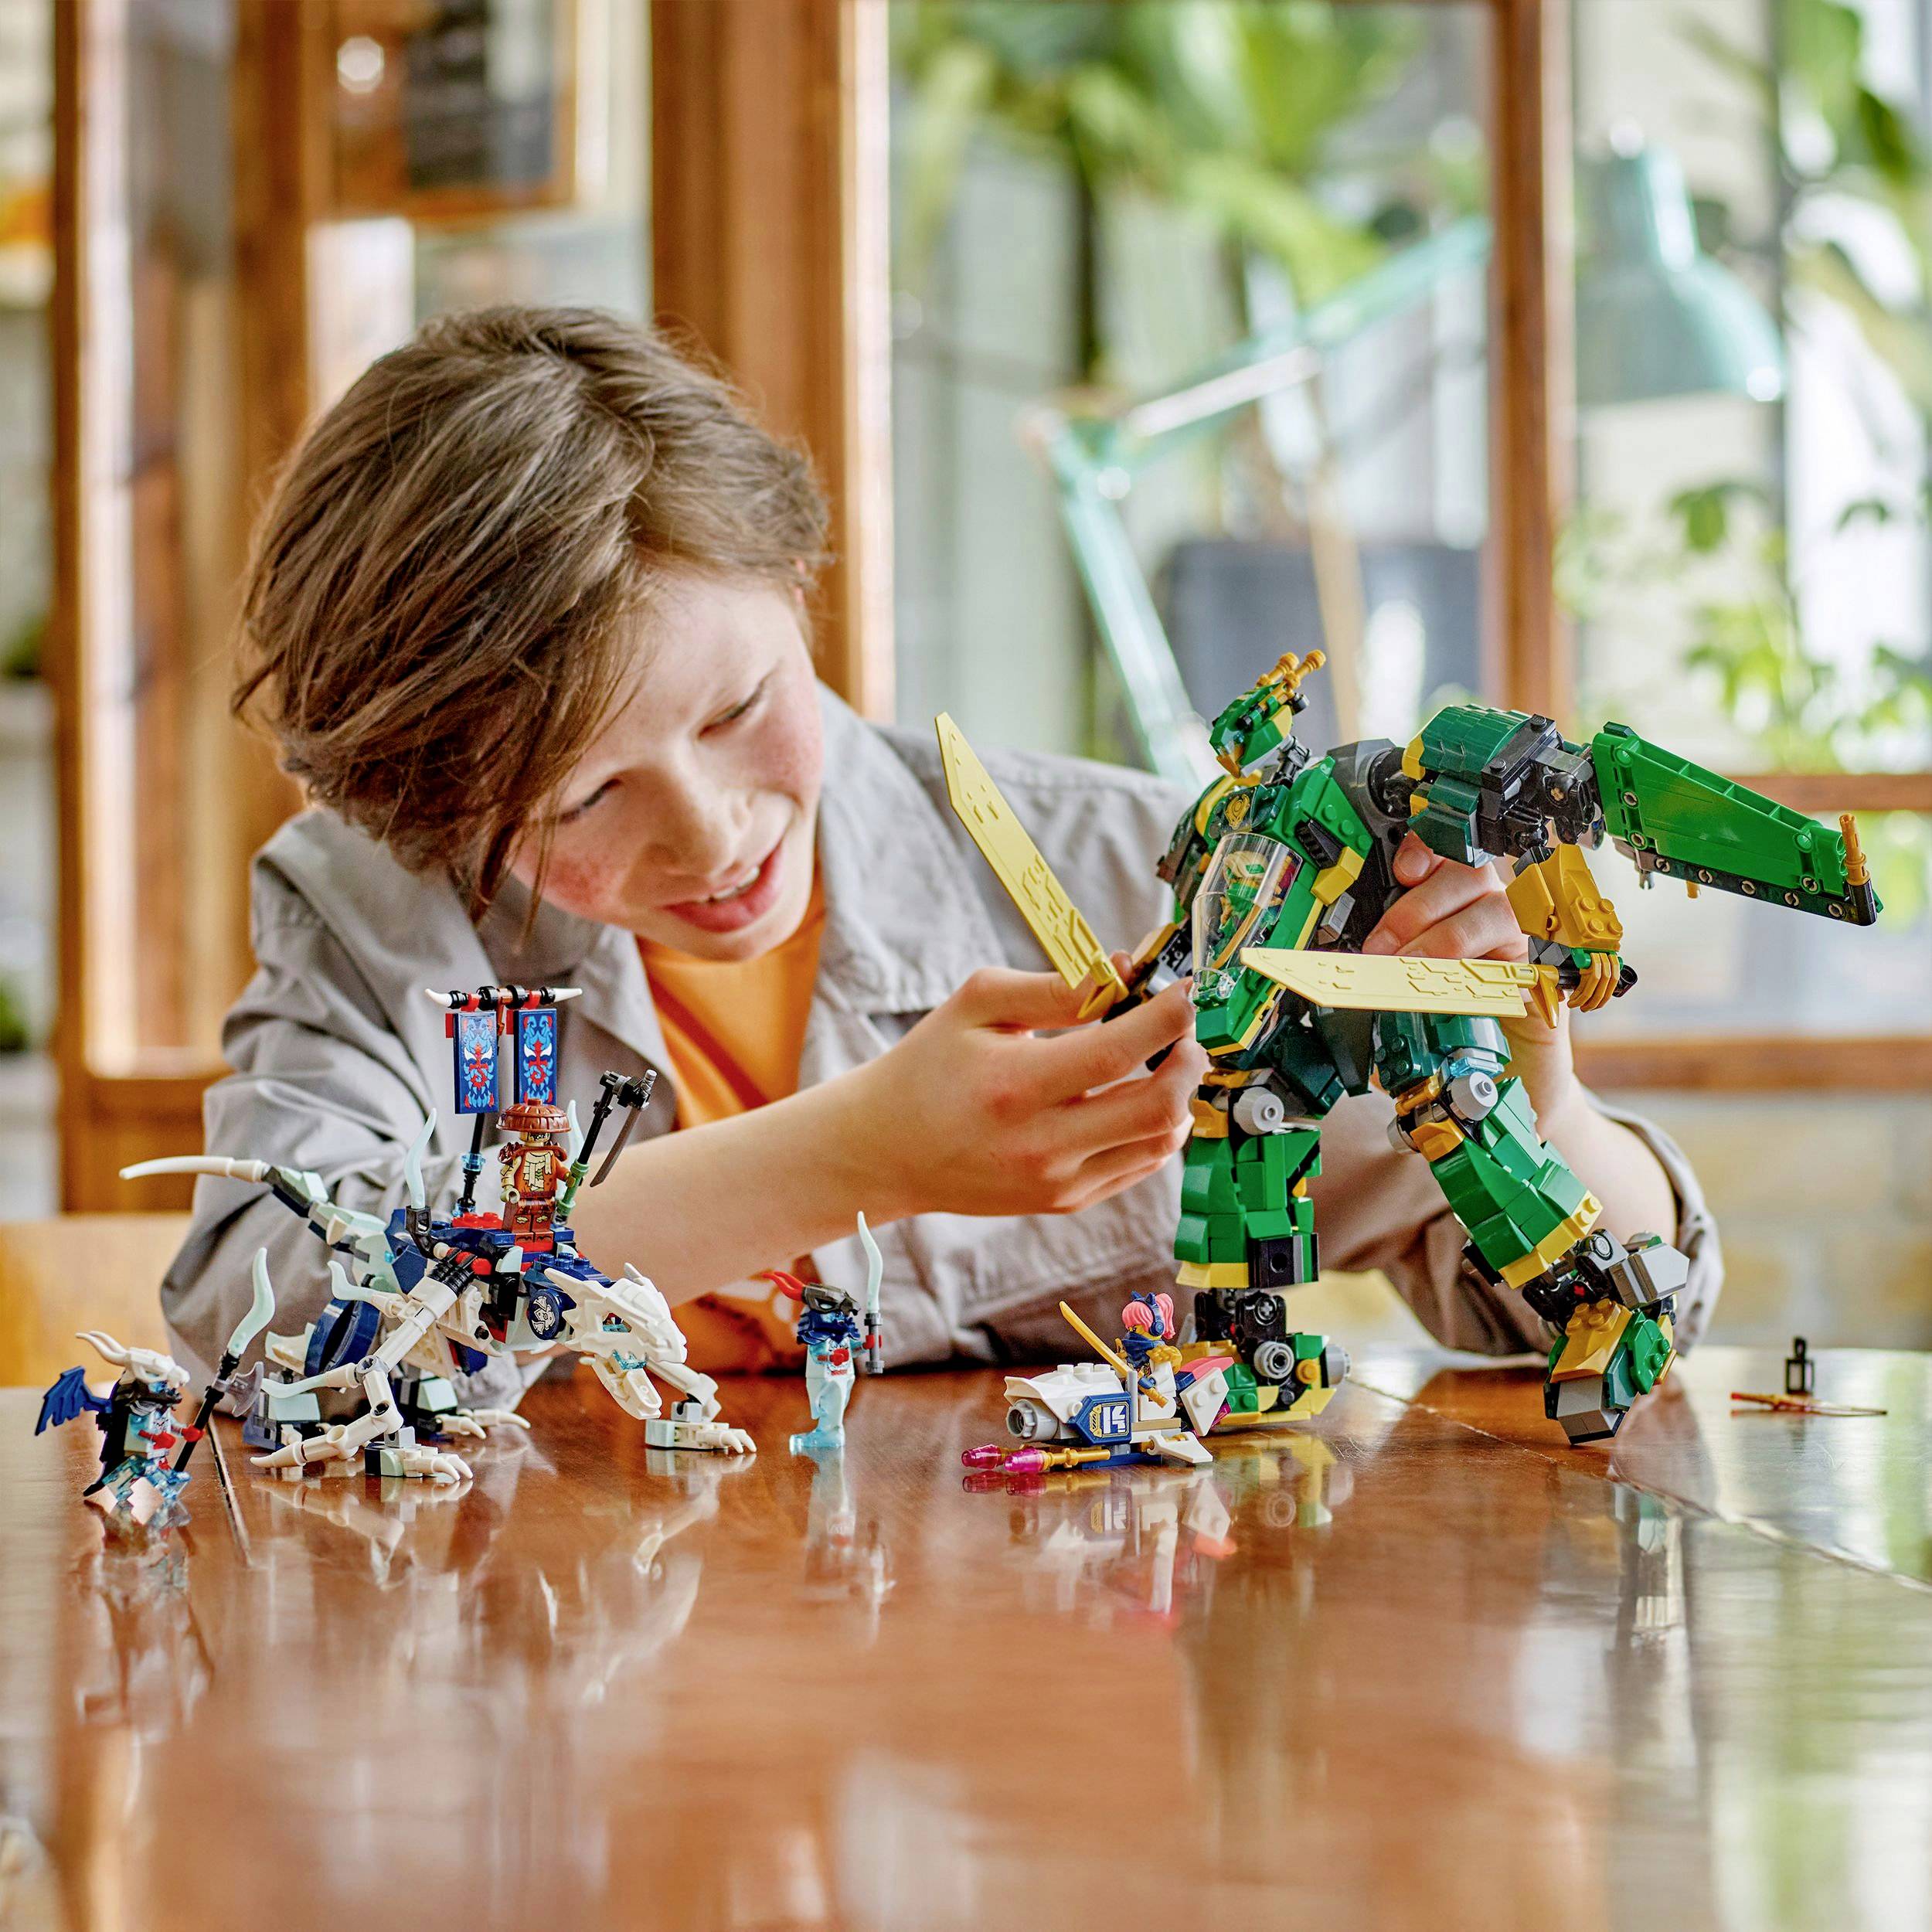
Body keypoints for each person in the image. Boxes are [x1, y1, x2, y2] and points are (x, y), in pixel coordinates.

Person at [159, 306, 1719, 1403]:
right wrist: (850, 1153)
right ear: (435, 811)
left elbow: (1589, 1319)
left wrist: (1538, 1102)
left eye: (741, 707)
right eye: (576, 802)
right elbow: (261, 1315)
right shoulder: (377, 918)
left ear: (797, 583)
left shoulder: (1147, 875)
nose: (711, 833)